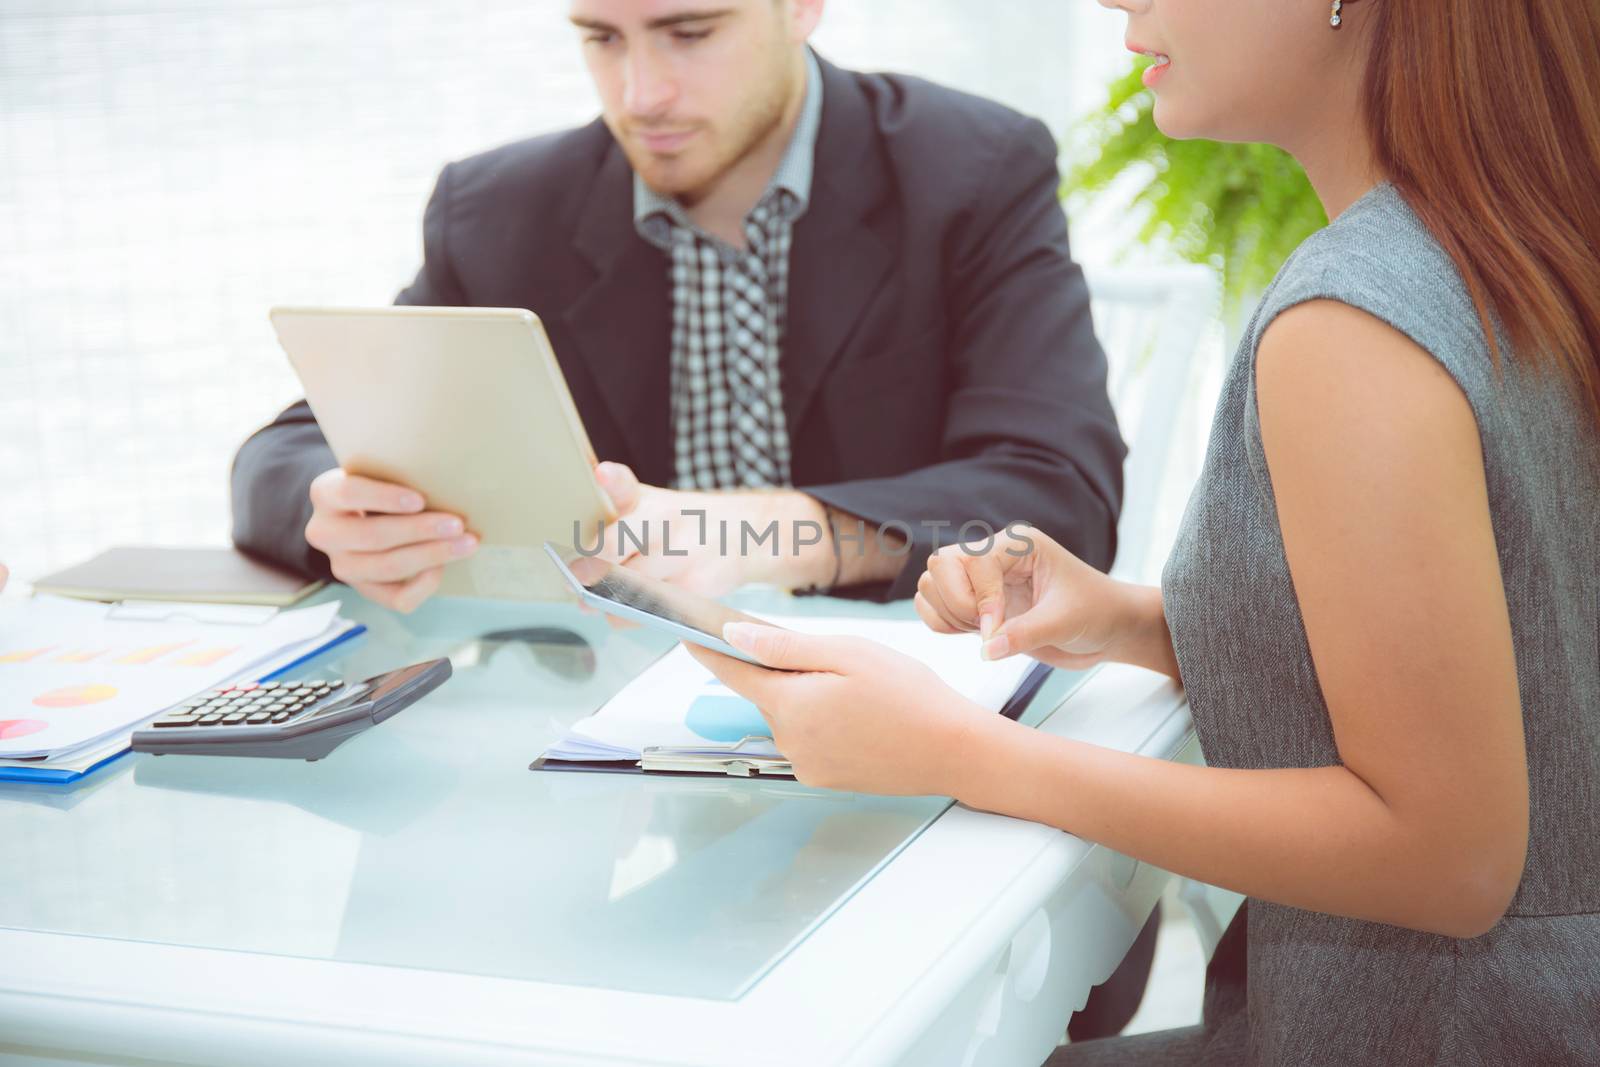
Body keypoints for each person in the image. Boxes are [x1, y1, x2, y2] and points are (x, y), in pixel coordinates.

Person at [687, 0, 1600, 1062]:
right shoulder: (1512, 242)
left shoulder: (1354, 325)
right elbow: (1530, 652)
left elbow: (1446, 858)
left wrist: (957, 749)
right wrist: (1132, 619)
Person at [230, 0, 1124, 612]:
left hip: (916, 711)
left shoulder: (971, 170)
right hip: (609, 742)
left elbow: (1063, 499)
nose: (639, 95)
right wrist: (341, 519)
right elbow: (285, 454)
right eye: (601, 38)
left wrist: (778, 533)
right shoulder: (500, 211)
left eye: (688, 32)